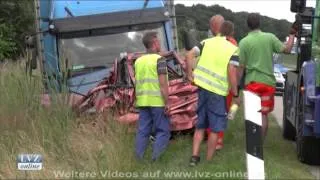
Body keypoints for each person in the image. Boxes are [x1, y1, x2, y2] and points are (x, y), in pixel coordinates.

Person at [186, 19, 240, 166]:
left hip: (202, 89)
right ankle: (208, 161)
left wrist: (190, 74)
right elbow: (231, 72)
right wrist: (235, 94)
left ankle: (194, 157)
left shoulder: (206, 42)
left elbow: (189, 55)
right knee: (215, 128)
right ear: (232, 33)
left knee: (200, 125)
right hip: (217, 93)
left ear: (219, 30)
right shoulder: (233, 49)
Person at [238, 13, 297, 141]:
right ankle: (260, 144)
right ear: (260, 23)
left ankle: (252, 143)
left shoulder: (243, 42)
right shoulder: (269, 38)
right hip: (267, 84)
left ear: (247, 25)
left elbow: (241, 67)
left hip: (252, 83)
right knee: (263, 115)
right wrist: (292, 35)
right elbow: (287, 50)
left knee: (252, 114)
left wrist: (238, 86)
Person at [134, 32, 170, 161]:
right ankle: (156, 159)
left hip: (143, 101)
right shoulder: (159, 60)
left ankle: (138, 159)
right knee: (163, 131)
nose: (159, 44)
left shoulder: (138, 61)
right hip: (157, 102)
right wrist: (167, 103)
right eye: (159, 41)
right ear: (154, 43)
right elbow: (162, 84)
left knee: (143, 131)